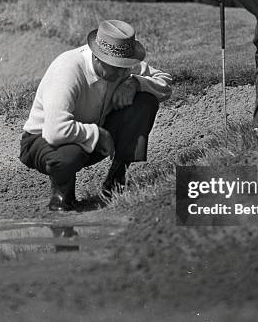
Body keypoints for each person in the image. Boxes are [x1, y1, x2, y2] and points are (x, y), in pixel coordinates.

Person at [19, 19, 172, 211]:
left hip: (92, 135)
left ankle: (115, 181)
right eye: (116, 67)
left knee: (145, 101)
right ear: (97, 58)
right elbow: (55, 131)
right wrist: (98, 135)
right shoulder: (67, 69)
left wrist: (135, 83)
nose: (122, 72)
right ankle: (62, 197)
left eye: (125, 66)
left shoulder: (124, 69)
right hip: (42, 140)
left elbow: (165, 84)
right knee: (68, 155)